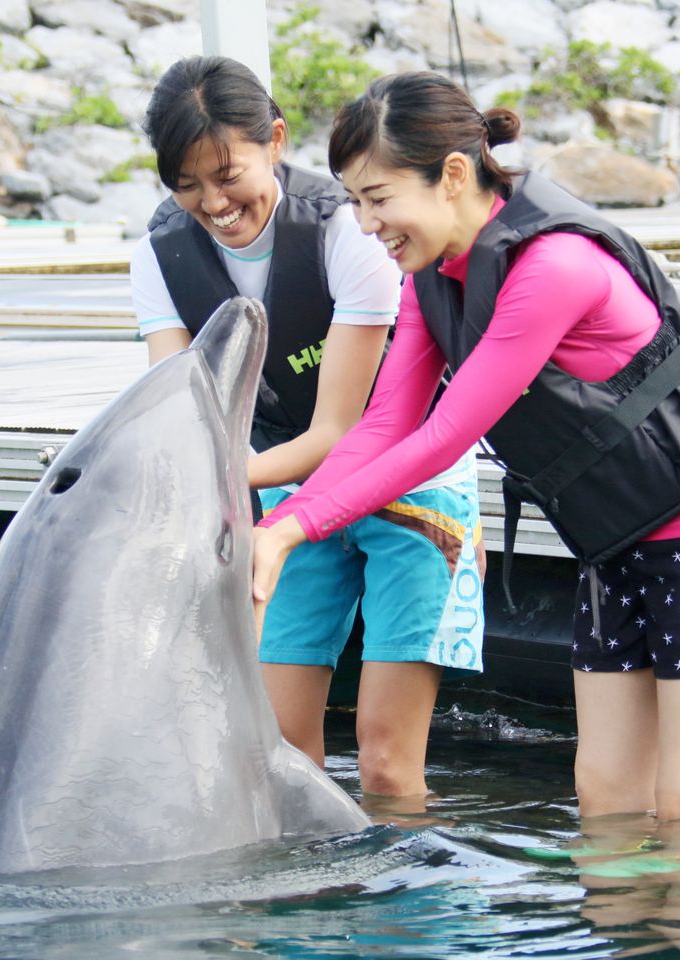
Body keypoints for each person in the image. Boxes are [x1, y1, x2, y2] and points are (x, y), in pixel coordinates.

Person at [253, 72, 680, 822]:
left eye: (378, 200)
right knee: (607, 800)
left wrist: (293, 527)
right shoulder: (432, 277)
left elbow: (446, 435)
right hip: (616, 543)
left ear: (452, 176)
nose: (368, 225)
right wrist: (281, 525)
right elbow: (383, 427)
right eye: (355, 204)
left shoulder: (552, 268)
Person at [130, 57, 486, 802]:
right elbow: (179, 412)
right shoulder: (160, 255)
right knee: (278, 758)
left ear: (276, 141)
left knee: (387, 764)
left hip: (409, 490)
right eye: (186, 184)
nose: (213, 202)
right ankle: (307, 918)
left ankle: (415, 916)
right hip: (287, 502)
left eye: (228, 175)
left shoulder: (347, 232)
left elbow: (340, 433)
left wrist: (212, 481)